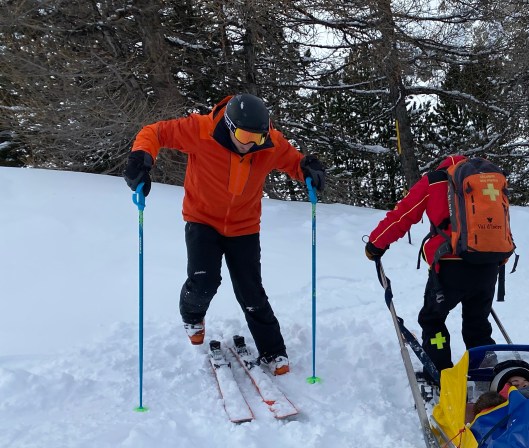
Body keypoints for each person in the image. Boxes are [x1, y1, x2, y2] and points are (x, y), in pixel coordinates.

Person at [123, 94, 326, 375]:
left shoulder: (268, 143)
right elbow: (154, 132)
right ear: (229, 126)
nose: (250, 143)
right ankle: (192, 315)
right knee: (204, 281)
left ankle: (273, 350)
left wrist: (307, 168)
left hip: (244, 226)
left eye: (258, 137)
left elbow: (293, 161)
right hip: (202, 219)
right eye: (244, 135)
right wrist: (142, 157)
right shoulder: (200, 130)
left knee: (251, 291)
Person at [363, 155, 501, 379]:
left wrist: (375, 244)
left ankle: (439, 372)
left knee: (432, 319)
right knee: (477, 321)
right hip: (488, 265)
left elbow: (403, 215)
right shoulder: (487, 181)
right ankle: (485, 369)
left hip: (450, 267)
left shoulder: (435, 181)